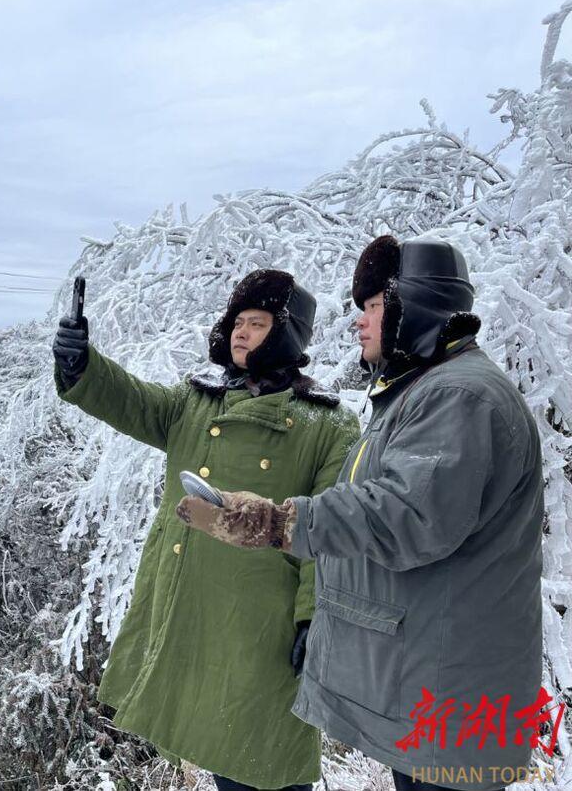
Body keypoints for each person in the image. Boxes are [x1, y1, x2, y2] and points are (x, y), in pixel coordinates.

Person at [175, 237, 545, 791]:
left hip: (449, 701)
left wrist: (280, 522)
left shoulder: (460, 397)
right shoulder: (424, 391)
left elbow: (405, 514)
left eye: (373, 306)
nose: (360, 323)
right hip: (434, 688)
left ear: (413, 304)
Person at [52, 269, 360, 790]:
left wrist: (316, 618)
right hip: (191, 608)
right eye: (237, 321)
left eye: (257, 323)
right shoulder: (198, 402)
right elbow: (133, 400)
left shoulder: (325, 425)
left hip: (260, 624)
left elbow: (327, 533)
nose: (240, 333)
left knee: (263, 762)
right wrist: (82, 364)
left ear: (286, 334)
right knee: (221, 758)